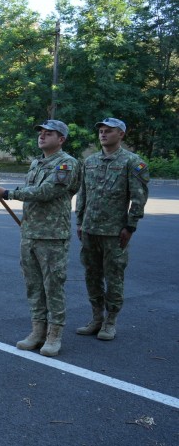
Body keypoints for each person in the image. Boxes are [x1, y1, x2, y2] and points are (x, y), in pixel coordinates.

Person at [0, 119, 80, 357]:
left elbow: (48, 191)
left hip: (52, 236)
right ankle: (37, 330)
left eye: (49, 133)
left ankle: (54, 334)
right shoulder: (36, 163)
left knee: (53, 286)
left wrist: (8, 193)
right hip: (30, 232)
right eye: (41, 132)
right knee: (33, 285)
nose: (42, 136)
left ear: (61, 139)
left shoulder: (66, 164)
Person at [75, 117, 149, 341]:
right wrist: (79, 221)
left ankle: (111, 320)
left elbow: (138, 197)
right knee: (91, 275)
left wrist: (130, 226)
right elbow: (83, 194)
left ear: (121, 135)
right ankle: (96, 317)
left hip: (115, 232)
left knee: (114, 276)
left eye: (109, 131)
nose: (103, 134)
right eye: (101, 131)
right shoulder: (90, 161)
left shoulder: (132, 162)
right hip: (89, 229)